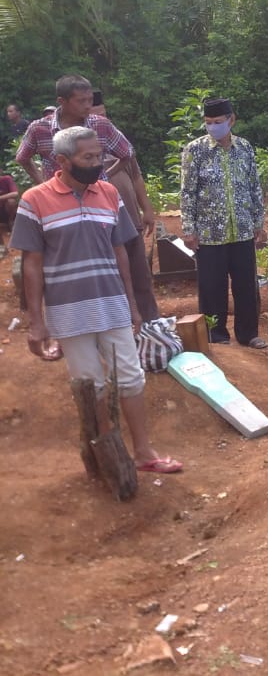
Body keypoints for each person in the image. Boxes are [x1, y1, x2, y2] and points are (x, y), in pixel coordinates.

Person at [11, 127, 181, 474]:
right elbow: (32, 263)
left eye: (99, 155)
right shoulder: (34, 200)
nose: (97, 163)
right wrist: (37, 322)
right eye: (88, 157)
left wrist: (132, 305)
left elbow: (120, 252)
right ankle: (108, 453)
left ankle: (144, 453)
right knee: (91, 384)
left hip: (112, 303)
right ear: (61, 160)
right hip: (68, 311)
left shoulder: (107, 193)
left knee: (132, 378)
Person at [16, 76, 157, 241]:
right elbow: (23, 157)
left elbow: (128, 154)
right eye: (81, 101)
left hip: (97, 199)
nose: (88, 105)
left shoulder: (101, 125)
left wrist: (105, 174)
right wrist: (42, 182)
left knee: (109, 245)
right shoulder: (39, 129)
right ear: (62, 101)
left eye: (90, 100)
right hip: (56, 203)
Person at [180, 98, 268, 349]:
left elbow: (253, 186)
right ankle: (215, 334)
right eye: (208, 123)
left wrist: (258, 222)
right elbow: (187, 192)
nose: (213, 127)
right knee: (212, 286)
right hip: (209, 232)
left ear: (231, 120)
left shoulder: (245, 148)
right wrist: (189, 229)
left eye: (218, 122)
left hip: (241, 229)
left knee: (246, 285)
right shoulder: (195, 150)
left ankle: (248, 333)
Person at [88, 91, 160, 323]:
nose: (103, 120)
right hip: (99, 226)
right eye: (96, 116)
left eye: (104, 115)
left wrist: (146, 209)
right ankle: (119, 322)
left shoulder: (120, 148)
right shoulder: (84, 157)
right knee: (114, 277)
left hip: (130, 222)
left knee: (140, 274)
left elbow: (137, 178)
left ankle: (150, 321)